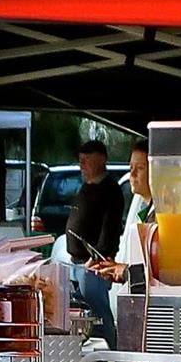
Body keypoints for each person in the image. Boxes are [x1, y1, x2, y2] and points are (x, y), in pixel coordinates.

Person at [65, 139, 125, 348]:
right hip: (76, 261)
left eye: (86, 161)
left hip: (94, 263)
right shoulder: (86, 187)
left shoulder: (110, 190)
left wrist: (98, 257)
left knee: (98, 311)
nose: (81, 166)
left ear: (100, 160)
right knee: (83, 312)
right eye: (80, 161)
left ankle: (113, 352)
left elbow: (110, 228)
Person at [92, 138, 153, 284]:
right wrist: (115, 269)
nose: (132, 174)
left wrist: (125, 271)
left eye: (140, 168)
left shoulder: (162, 215)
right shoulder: (147, 208)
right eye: (131, 167)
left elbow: (158, 272)